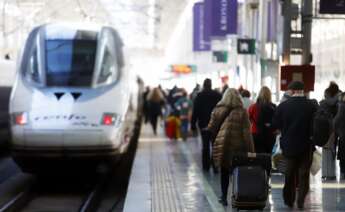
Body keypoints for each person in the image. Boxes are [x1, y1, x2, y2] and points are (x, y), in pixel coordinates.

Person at [273, 81, 317, 209]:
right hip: (306, 146)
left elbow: (276, 125)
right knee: (304, 175)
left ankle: (289, 200)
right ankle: (301, 201)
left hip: (289, 146)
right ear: (303, 91)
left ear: (292, 91)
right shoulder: (311, 105)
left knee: (289, 174)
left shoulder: (283, 106)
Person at [207, 88, 255, 206]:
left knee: (224, 171)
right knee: (237, 171)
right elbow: (247, 133)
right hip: (238, 147)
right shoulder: (242, 112)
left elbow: (211, 128)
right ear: (238, 97)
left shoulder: (218, 110)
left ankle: (223, 197)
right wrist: (251, 151)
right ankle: (237, 196)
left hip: (222, 145)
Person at [191, 78, 222, 171]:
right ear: (211, 85)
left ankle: (206, 166)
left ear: (204, 85)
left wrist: (193, 124)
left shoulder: (199, 96)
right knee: (215, 145)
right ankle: (215, 166)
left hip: (203, 124)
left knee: (205, 146)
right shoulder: (217, 95)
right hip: (215, 124)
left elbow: (195, 111)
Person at [320, 82, 340, 180]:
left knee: (326, 150)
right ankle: (331, 173)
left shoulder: (324, 102)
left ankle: (325, 173)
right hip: (333, 128)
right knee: (332, 150)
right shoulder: (338, 99)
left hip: (324, 128)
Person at [248, 86, 276, 154]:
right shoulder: (274, 107)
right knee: (268, 155)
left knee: (258, 155)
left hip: (256, 133)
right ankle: (267, 165)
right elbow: (276, 121)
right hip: (270, 134)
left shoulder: (253, 107)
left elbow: (247, 119)